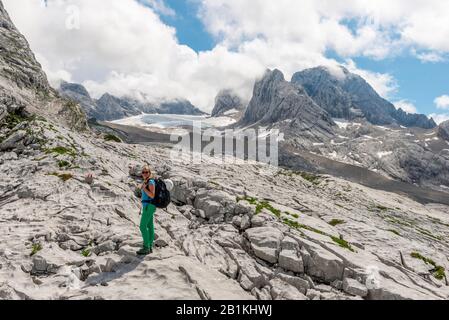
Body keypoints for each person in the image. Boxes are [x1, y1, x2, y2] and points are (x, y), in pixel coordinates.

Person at [137, 165, 156, 256]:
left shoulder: (151, 181)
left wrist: (144, 188)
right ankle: (150, 246)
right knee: (150, 226)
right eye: (143, 172)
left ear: (149, 173)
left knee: (142, 226)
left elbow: (152, 195)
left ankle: (146, 247)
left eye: (146, 172)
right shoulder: (146, 181)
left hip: (149, 206)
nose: (144, 173)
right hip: (148, 206)